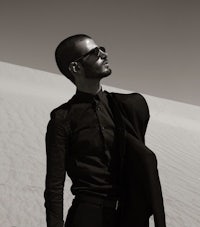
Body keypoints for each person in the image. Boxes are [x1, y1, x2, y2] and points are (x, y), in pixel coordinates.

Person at [44, 34, 166, 227]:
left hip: (128, 216)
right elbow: (54, 185)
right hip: (87, 217)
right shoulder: (62, 118)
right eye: (95, 52)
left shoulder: (126, 107)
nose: (104, 54)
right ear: (76, 67)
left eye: (102, 48)